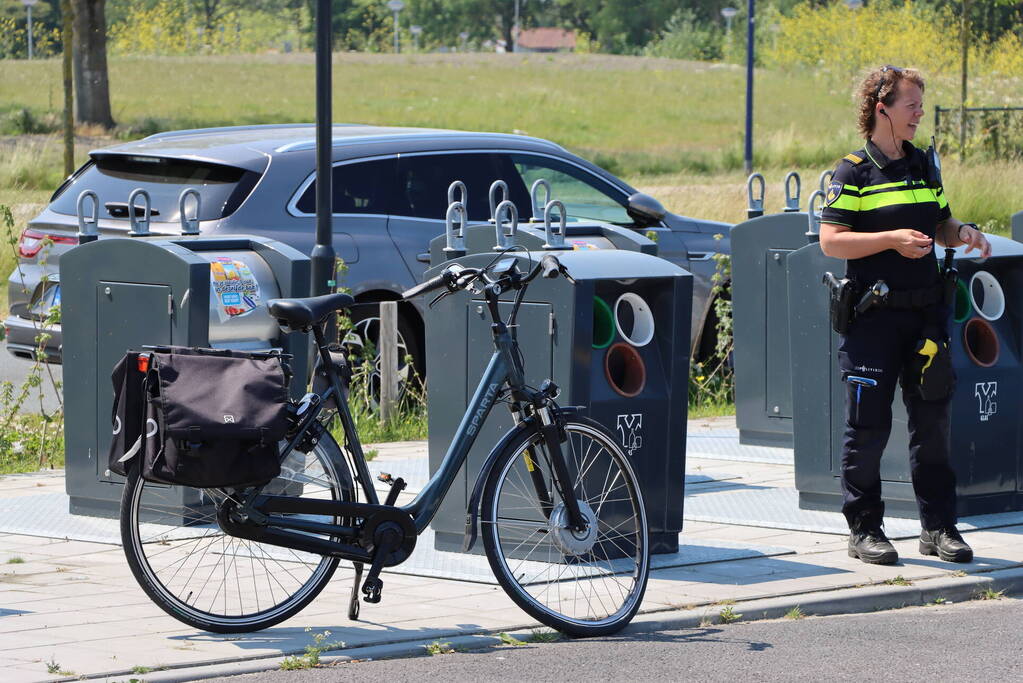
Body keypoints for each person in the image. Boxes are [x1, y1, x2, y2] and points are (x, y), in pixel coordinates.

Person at [818, 65, 991, 565]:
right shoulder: (852, 170)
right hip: (873, 319)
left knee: (933, 425)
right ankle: (865, 529)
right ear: (881, 108)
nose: (919, 114)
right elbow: (832, 240)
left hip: (926, 317)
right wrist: (889, 239)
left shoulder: (922, 164)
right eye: (911, 104)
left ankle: (938, 528)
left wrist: (963, 234)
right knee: (867, 430)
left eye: (920, 105)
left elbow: (939, 221)